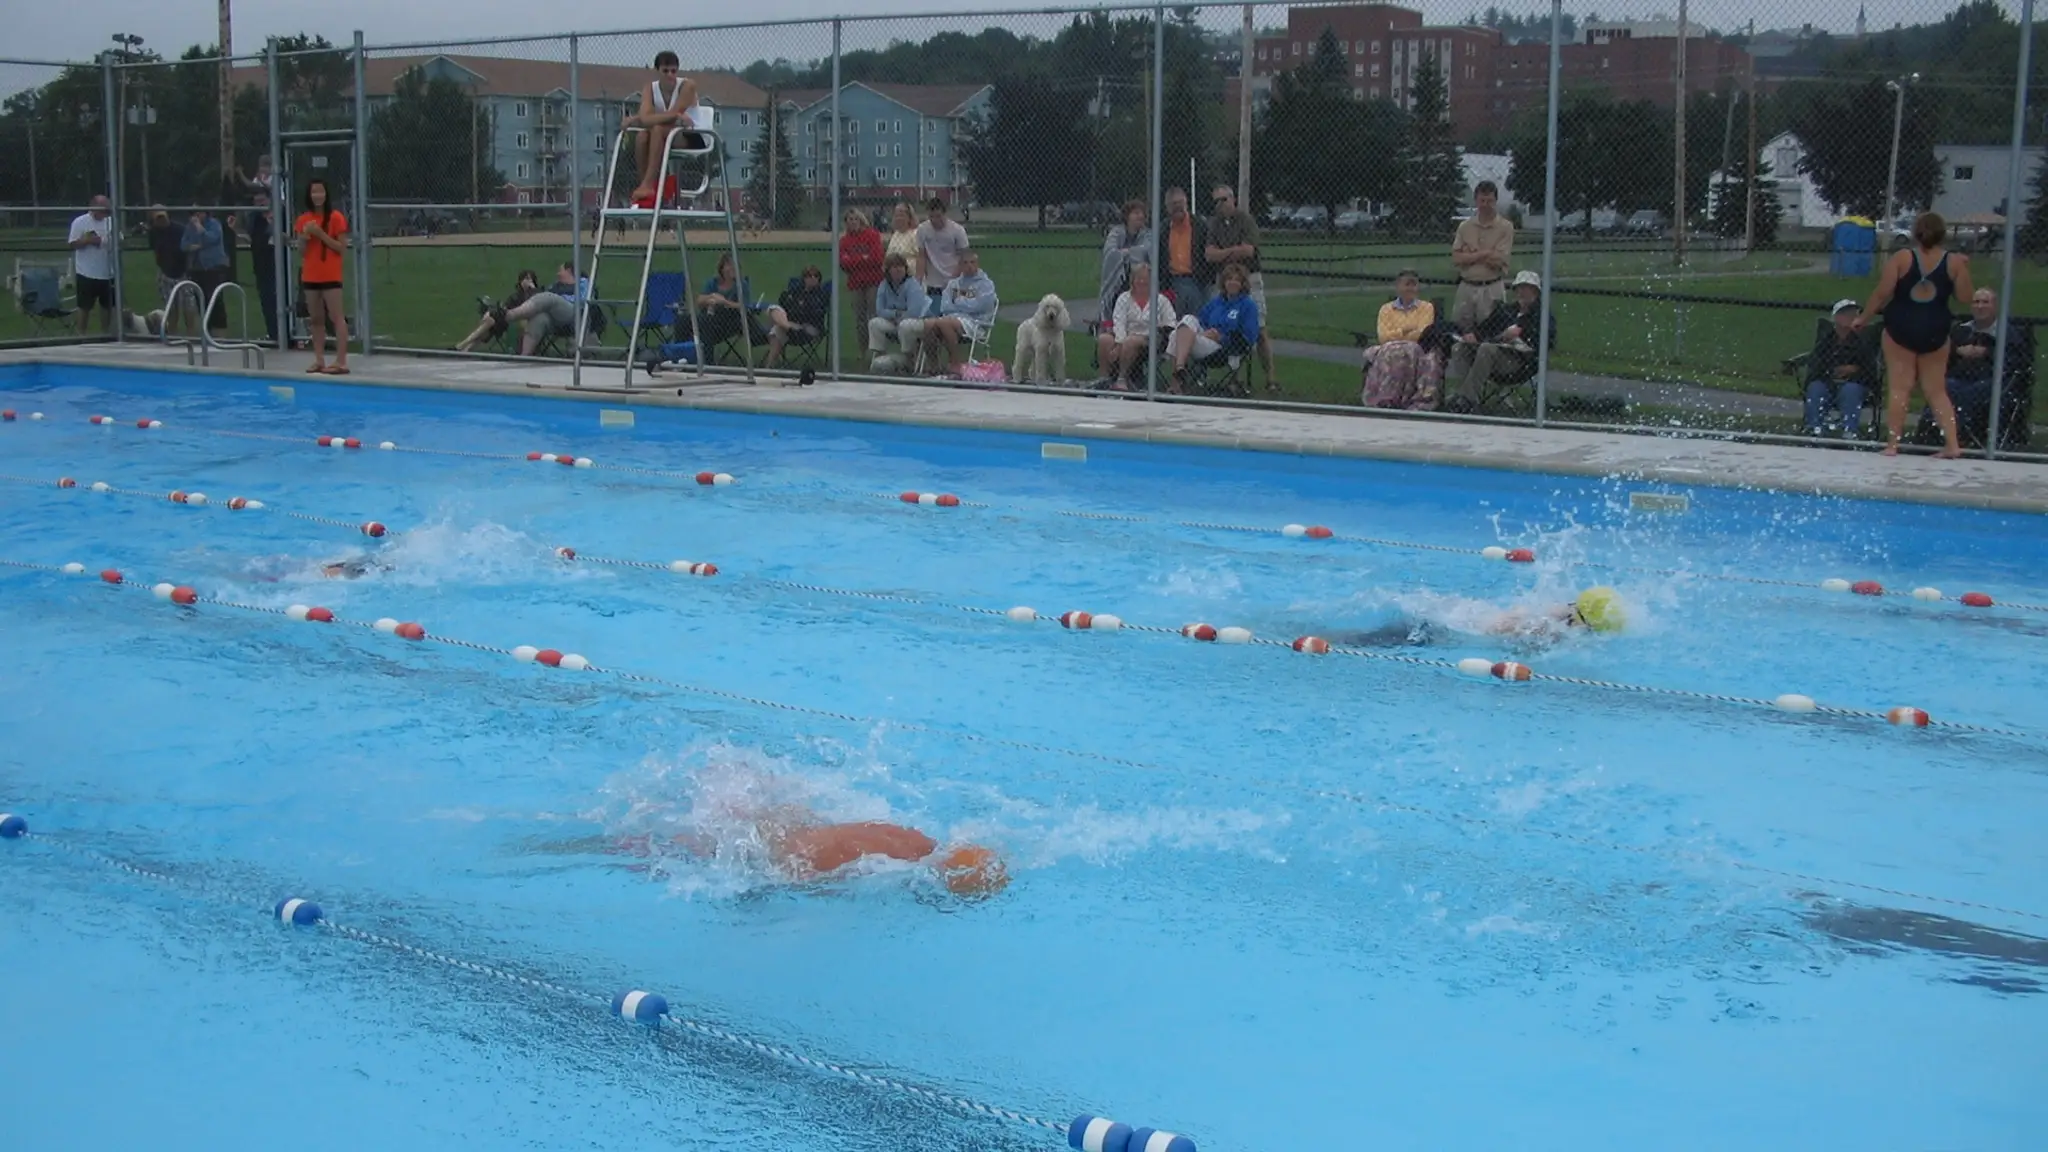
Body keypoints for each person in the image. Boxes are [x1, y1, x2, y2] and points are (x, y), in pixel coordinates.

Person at [598, 806, 1009, 900]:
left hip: (793, 831)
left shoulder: (916, 841)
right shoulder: (893, 871)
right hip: (783, 853)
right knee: (702, 850)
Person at [1857, 211, 1972, 457]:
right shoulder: (1953, 262)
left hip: (1901, 326)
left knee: (1900, 387)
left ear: (1915, 233)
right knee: (1936, 390)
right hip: (1935, 329)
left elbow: (1882, 293)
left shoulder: (1902, 258)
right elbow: (1965, 298)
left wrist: (1863, 318)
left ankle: (1892, 445)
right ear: (1943, 235)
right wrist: (1962, 268)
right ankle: (1952, 445)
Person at [1333, 586, 1626, 650]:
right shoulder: (1543, 627)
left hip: (1447, 618)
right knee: (1353, 643)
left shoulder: (1555, 610)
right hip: (1432, 632)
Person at [1443, 269, 1551, 414]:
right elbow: (1486, 328)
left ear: (1536, 292)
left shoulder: (1542, 316)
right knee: (1460, 348)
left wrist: (1523, 333)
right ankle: (1468, 396)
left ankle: (1466, 400)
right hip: (1494, 355)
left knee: (1487, 349)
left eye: (1527, 288)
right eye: (1519, 288)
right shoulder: (1507, 311)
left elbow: (1546, 343)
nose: (1522, 292)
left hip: (1520, 363)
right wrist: (1474, 335)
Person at [1206, 184, 1276, 391]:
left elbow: (1248, 251)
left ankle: (1271, 378)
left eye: (1224, 200)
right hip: (1226, 280)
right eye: (1216, 201)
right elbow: (1209, 255)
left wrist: (1223, 253)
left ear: (1233, 199)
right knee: (1230, 328)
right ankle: (1234, 378)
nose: (1220, 205)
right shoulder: (1214, 224)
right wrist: (1234, 251)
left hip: (1250, 278)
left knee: (1260, 328)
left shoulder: (1246, 220)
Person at [1166, 262, 1260, 394]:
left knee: (1176, 336)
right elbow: (1200, 320)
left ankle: (1176, 381)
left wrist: (1221, 338)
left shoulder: (1247, 305)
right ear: (1224, 282)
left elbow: (1249, 337)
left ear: (1243, 284)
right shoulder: (1216, 302)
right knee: (1187, 319)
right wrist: (1206, 334)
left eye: (1237, 280)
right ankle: (1180, 367)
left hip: (1221, 349)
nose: (1232, 283)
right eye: (1229, 279)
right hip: (1203, 339)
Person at [625, 51, 699, 208]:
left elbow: (656, 117)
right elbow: (663, 117)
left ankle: (647, 185)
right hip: (665, 134)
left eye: (673, 71)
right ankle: (645, 185)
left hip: (690, 135)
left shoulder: (687, 86)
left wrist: (643, 118)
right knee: (642, 136)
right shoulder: (650, 89)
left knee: (657, 129)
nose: (670, 75)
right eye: (665, 71)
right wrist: (643, 119)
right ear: (657, 71)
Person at [1361, 269, 1442, 410]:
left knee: (1417, 354)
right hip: (1391, 348)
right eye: (1407, 284)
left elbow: (1423, 333)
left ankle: (1415, 401)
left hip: (1417, 347)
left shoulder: (1426, 308)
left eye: (1414, 284)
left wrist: (1397, 333)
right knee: (1392, 353)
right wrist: (1405, 330)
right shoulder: (1386, 310)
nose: (1411, 288)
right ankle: (1386, 398)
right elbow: (1383, 336)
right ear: (1398, 287)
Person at [1800, 299, 1880, 437]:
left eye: (1853, 313)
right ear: (1835, 317)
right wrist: (1832, 371)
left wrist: (1853, 370)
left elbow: (1870, 368)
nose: (1850, 317)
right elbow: (1816, 362)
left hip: (1856, 383)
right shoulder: (1826, 340)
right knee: (1815, 388)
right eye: (1845, 313)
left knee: (1850, 390)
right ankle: (1814, 429)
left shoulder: (1864, 340)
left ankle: (1849, 431)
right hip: (1828, 381)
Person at [294, 180, 350, 374]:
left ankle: (341, 361)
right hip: (311, 275)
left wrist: (321, 234)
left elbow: (341, 248)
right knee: (316, 318)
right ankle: (319, 359)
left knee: (336, 317)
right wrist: (303, 238)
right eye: (314, 192)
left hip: (330, 275)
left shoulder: (335, 218)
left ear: (326, 194)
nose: (317, 195)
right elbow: (301, 251)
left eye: (321, 192)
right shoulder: (303, 219)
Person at [1096, 261, 1175, 391]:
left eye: (1146, 279)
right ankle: (1104, 380)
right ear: (1132, 280)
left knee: (1131, 341)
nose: (1142, 282)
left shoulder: (1161, 300)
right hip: (1124, 336)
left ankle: (1122, 379)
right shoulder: (1124, 298)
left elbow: (1170, 323)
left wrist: (1157, 332)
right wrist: (1119, 343)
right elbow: (1119, 322)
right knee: (1104, 339)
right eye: (1139, 278)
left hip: (1150, 339)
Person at [920, 249, 998, 375]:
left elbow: (980, 306)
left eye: (972, 262)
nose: (969, 266)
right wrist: (965, 303)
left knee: (945, 323)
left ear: (977, 264)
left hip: (975, 322)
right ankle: (934, 366)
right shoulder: (953, 284)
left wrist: (958, 302)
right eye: (965, 263)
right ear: (960, 266)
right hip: (952, 319)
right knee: (928, 324)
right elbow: (945, 306)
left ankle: (955, 364)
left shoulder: (986, 285)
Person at [1451, 181, 1514, 331]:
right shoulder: (1465, 227)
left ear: (1496, 201)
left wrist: (1471, 254)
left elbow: (1499, 261)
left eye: (1490, 201)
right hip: (1466, 286)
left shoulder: (1505, 227)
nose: (1485, 204)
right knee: (1460, 331)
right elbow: (1457, 258)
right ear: (1476, 201)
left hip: (1491, 287)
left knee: (1491, 331)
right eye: (1482, 200)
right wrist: (1486, 252)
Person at [498, 262, 589, 356]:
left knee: (548, 297)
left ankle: (509, 314)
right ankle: (524, 356)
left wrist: (560, 298)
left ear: (569, 271)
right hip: (556, 320)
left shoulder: (583, 282)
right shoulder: (556, 285)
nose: (558, 274)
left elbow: (583, 300)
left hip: (574, 314)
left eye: (560, 271)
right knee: (539, 318)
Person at [690, 252, 764, 356]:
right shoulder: (713, 282)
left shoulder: (741, 284)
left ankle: (706, 362)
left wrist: (724, 302)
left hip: (731, 322)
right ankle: (682, 357)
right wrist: (711, 297)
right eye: (729, 265)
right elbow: (699, 300)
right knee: (685, 320)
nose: (733, 267)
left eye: (735, 265)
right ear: (722, 268)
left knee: (704, 323)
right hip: (711, 320)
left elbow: (744, 306)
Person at [867, 252, 929, 373]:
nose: (898, 270)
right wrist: (895, 314)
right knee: (874, 323)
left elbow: (914, 312)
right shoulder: (884, 285)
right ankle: (880, 357)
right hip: (894, 320)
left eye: (901, 266)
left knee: (905, 325)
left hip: (916, 322)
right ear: (888, 270)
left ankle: (909, 360)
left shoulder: (912, 285)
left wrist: (895, 315)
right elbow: (879, 310)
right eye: (894, 267)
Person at [455, 268, 541, 353]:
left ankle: (463, 345)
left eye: (529, 279)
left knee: (489, 323)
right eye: (524, 279)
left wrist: (532, 289)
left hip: (520, 322)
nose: (526, 282)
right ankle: (466, 349)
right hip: (505, 321)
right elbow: (505, 308)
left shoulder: (537, 294)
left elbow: (535, 305)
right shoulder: (516, 296)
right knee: (489, 326)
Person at [763, 265, 831, 370]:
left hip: (809, 329)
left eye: (815, 276)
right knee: (773, 309)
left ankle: (769, 366)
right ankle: (787, 327)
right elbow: (784, 302)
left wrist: (796, 309)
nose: (812, 278)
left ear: (819, 279)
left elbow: (812, 313)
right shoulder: (796, 291)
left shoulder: (821, 294)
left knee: (777, 330)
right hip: (792, 326)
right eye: (809, 276)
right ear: (803, 278)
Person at [1097, 198, 1152, 325]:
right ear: (1127, 216)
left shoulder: (1148, 234)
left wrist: (1125, 253)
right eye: (1136, 213)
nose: (1140, 216)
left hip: (1141, 280)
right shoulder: (1116, 232)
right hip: (1118, 280)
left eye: (1142, 213)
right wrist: (1130, 255)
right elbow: (1110, 253)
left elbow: (1146, 251)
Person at [67, 195, 116, 336]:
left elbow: (119, 240)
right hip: (86, 272)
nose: (106, 213)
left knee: (107, 306)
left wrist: (103, 241)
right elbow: (72, 243)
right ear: (94, 208)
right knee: (84, 307)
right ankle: (81, 335)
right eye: (103, 210)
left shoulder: (111, 222)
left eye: (107, 210)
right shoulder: (80, 222)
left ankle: (105, 334)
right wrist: (87, 241)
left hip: (108, 272)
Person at [146, 205, 195, 337]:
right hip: (165, 273)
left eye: (162, 217)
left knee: (188, 307)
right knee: (171, 308)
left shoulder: (180, 229)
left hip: (183, 272)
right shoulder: (153, 232)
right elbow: (155, 250)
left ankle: (192, 337)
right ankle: (173, 337)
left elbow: (189, 251)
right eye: (157, 218)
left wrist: (189, 271)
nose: (161, 220)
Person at [1159, 186, 1210, 310]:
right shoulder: (1163, 229)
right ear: (1167, 207)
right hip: (1172, 280)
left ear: (1186, 202)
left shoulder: (1200, 226)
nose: (1178, 207)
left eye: (1180, 203)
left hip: (1197, 279)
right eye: (1173, 204)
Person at [182, 209, 230, 335]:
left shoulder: (214, 224)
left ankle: (220, 330)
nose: (195, 217)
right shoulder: (189, 227)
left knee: (214, 298)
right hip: (197, 267)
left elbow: (211, 239)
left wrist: (199, 227)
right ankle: (207, 329)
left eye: (198, 213)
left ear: (205, 213)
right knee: (200, 299)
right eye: (193, 214)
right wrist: (192, 246)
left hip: (214, 266)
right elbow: (184, 244)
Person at [838, 208, 884, 338]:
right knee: (860, 319)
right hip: (855, 283)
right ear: (846, 222)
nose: (853, 222)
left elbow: (877, 259)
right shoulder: (844, 241)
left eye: (856, 219)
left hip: (873, 282)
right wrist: (863, 258)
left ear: (861, 220)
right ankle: (862, 350)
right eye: (850, 220)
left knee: (874, 316)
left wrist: (853, 259)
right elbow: (843, 263)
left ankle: (877, 350)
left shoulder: (872, 235)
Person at [915, 197, 969, 301]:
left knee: (956, 309)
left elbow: (964, 257)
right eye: (931, 217)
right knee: (935, 311)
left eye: (938, 216)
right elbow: (921, 256)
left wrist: (954, 279)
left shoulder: (957, 230)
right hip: (933, 281)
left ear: (945, 214)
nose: (935, 220)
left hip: (955, 279)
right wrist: (918, 280)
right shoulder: (923, 230)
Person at [246, 193, 280, 344]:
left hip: (277, 267)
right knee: (266, 301)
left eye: (262, 201)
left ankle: (283, 335)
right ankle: (272, 334)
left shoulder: (279, 216)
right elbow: (252, 238)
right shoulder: (255, 219)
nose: (259, 204)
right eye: (256, 201)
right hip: (260, 266)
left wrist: (271, 222)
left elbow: (282, 236)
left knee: (277, 300)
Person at [883, 201, 921, 279]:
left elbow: (920, 257)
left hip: (910, 276)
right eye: (896, 215)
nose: (898, 218)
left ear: (909, 217)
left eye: (901, 215)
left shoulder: (915, 234)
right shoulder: (896, 235)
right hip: (894, 277)